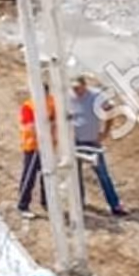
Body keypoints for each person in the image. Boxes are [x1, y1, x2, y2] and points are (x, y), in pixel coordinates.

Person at [70, 74, 128, 217]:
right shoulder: (68, 97)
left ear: (84, 85)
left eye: (78, 87)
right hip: (74, 141)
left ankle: (115, 204)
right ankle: (79, 202)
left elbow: (110, 111)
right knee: (74, 174)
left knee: (102, 173)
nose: (76, 91)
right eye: (74, 88)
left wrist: (105, 132)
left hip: (92, 141)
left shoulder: (96, 96)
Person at [17, 84, 56, 218]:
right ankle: (23, 205)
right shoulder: (28, 106)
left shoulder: (51, 103)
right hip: (32, 146)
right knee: (29, 175)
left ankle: (47, 202)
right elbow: (30, 126)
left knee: (48, 175)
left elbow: (55, 121)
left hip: (47, 146)